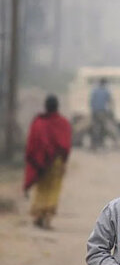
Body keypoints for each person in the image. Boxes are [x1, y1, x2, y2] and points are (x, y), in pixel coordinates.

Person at [23, 95, 72, 229]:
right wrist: (64, 161)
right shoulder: (63, 123)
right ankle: (47, 217)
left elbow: (32, 143)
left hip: (41, 163)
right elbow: (66, 144)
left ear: (45, 106)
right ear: (57, 106)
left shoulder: (38, 122)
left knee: (41, 188)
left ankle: (38, 215)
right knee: (53, 189)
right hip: (57, 162)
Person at [90, 78, 118, 149]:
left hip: (95, 112)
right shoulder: (106, 91)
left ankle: (94, 144)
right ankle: (101, 143)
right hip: (102, 112)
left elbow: (91, 101)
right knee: (103, 128)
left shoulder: (95, 91)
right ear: (105, 83)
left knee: (95, 127)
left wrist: (93, 110)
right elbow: (110, 101)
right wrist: (111, 111)